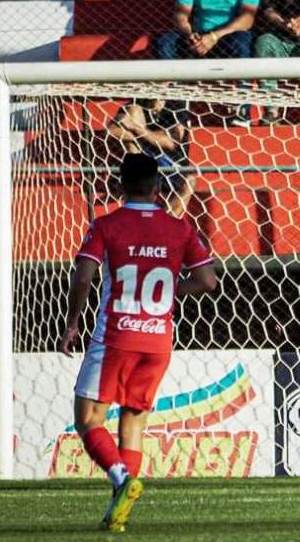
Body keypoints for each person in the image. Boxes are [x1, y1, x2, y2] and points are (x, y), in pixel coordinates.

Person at [60, 153, 217, 532]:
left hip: (116, 335)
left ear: (118, 186)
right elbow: (208, 282)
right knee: (133, 422)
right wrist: (169, 294)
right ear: (158, 188)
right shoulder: (179, 228)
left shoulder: (107, 224)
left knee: (87, 419)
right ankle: (119, 513)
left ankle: (120, 478)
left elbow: (83, 276)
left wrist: (73, 321)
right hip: (158, 340)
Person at [155, 0, 259, 125]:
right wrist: (190, 34)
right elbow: (180, 14)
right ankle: (176, 110)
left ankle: (242, 110)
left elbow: (247, 18)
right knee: (165, 42)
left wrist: (214, 37)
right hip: (198, 36)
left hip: (227, 36)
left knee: (244, 41)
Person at [106, 98, 195, 217]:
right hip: (141, 159)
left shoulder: (176, 106)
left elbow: (171, 142)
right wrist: (144, 139)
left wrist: (136, 128)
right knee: (134, 110)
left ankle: (165, 226)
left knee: (189, 181)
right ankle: (137, 174)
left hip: (167, 163)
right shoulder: (135, 104)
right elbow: (112, 130)